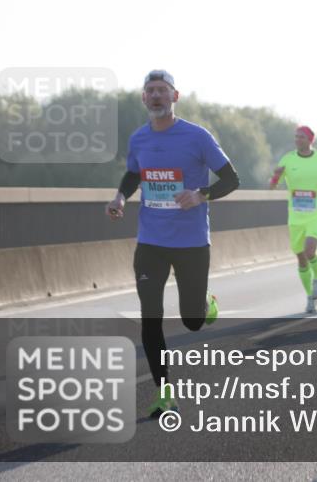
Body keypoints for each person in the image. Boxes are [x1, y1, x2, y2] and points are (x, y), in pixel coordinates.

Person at [105, 70, 240, 418]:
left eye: (162, 90)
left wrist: (201, 194)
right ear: (143, 98)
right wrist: (120, 197)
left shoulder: (197, 137)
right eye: (150, 90)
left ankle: (205, 303)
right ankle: (165, 393)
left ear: (174, 97)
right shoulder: (138, 139)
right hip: (151, 241)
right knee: (151, 318)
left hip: (192, 242)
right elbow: (135, 173)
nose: (155, 96)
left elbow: (231, 179)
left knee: (193, 320)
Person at [269, 125, 317, 314]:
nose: (297, 139)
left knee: (309, 251)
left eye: (301, 137)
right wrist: (275, 177)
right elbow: (272, 186)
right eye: (296, 137)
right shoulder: (287, 159)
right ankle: (310, 297)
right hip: (296, 216)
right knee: (300, 257)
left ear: (309, 140)